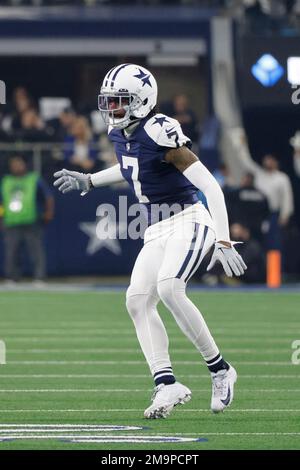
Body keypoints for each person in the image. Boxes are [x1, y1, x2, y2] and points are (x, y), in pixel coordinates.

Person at [53, 64, 247, 419]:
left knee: (171, 288)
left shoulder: (160, 130)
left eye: (120, 101)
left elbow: (210, 186)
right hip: (156, 228)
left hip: (189, 218)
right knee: (137, 300)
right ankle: (166, 384)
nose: (111, 109)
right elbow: (131, 168)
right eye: (109, 102)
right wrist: (91, 180)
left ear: (142, 101)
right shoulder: (120, 133)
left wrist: (223, 239)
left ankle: (220, 370)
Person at [0, 156, 54, 284]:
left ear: (24, 164)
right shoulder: (6, 181)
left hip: (31, 221)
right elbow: (1, 202)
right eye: (14, 164)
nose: (17, 167)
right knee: (11, 252)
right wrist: (1, 217)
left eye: (19, 164)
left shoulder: (34, 179)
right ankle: (12, 277)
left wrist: (48, 212)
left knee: (36, 251)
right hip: (11, 222)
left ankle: (39, 277)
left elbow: (48, 197)